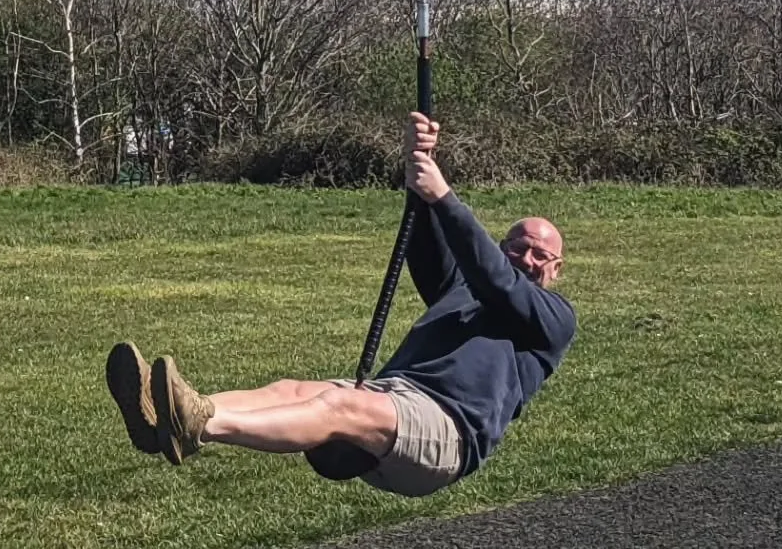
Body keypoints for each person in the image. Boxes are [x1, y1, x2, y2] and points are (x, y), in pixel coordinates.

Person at [104, 112, 576, 497]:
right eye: (516, 246)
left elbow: (496, 279)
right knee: (291, 389)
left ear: (556, 270)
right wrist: (418, 164)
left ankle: (198, 425)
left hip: (447, 430)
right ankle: (167, 413)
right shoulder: (463, 289)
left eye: (541, 254)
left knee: (338, 404)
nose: (526, 257)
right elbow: (433, 242)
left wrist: (445, 195)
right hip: (392, 402)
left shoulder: (552, 321)